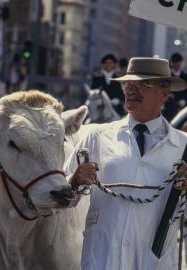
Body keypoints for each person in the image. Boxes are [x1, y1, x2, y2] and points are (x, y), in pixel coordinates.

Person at [64, 57, 187, 270]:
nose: (131, 90)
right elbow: (59, 197)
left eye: (143, 84)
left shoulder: (184, 146)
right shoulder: (96, 137)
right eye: (127, 85)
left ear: (165, 93)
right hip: (102, 260)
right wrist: (74, 181)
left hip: (155, 262)